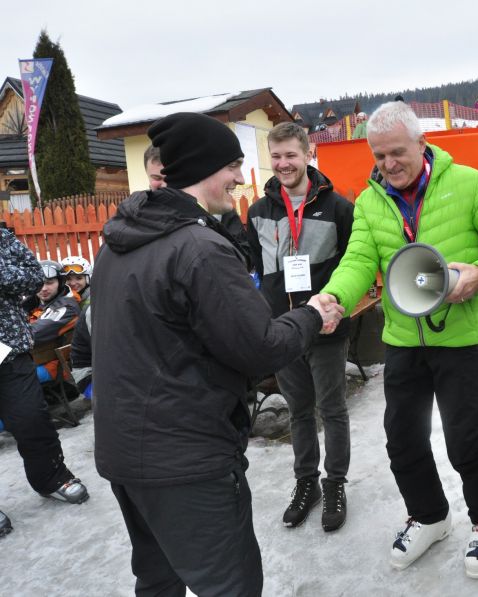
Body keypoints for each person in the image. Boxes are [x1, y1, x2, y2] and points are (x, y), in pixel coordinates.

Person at [91, 112, 343, 596]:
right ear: (206, 167)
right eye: (233, 165)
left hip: (125, 452)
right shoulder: (199, 248)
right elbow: (260, 350)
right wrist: (311, 314)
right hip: (186, 458)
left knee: (159, 578)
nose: (239, 177)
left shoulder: (120, 239)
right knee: (230, 584)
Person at [318, 101, 478, 578]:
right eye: (379, 156)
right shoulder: (372, 202)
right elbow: (356, 263)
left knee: (464, 439)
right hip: (403, 339)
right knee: (402, 438)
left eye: (397, 153)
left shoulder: (468, 184)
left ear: (422, 144)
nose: (388, 164)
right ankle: (430, 516)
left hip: (459, 339)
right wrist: (332, 298)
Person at [246, 121, 354, 532]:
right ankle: (306, 482)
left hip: (325, 329)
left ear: (308, 154)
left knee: (333, 409)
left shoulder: (338, 207)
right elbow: (255, 269)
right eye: (275, 156)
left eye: (291, 155)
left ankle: (336, 483)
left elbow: (353, 264)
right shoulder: (259, 212)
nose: (283, 163)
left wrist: (338, 307)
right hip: (283, 331)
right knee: (299, 411)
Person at [0, 227, 90, 538]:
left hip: (9, 351)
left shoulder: (2, 238)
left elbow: (31, 276)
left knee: (31, 419)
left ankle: (51, 478)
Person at [146, 144, 250, 263]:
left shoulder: (218, 211)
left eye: (170, 177)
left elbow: (244, 254)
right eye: (157, 178)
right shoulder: (139, 215)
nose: (165, 185)